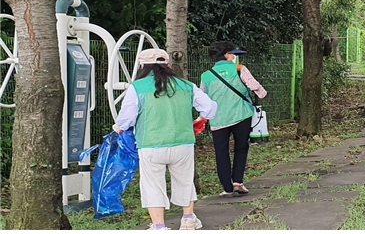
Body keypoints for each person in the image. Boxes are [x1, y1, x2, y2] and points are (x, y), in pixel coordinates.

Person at [112, 49, 217, 230]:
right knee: (185, 180)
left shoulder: (137, 87)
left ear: (143, 65)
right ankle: (188, 218)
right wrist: (200, 119)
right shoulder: (186, 85)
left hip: (151, 144)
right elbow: (210, 108)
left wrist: (118, 129)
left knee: (153, 185)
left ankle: (159, 226)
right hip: (183, 142)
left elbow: (125, 119)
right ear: (167, 64)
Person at [199, 41, 267, 197]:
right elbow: (255, 86)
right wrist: (262, 94)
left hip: (218, 119)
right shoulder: (239, 69)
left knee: (221, 152)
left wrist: (203, 116)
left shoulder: (206, 75)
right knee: (241, 148)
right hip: (241, 115)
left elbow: (202, 97)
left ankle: (227, 188)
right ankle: (237, 182)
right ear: (227, 55)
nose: (235, 56)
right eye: (234, 54)